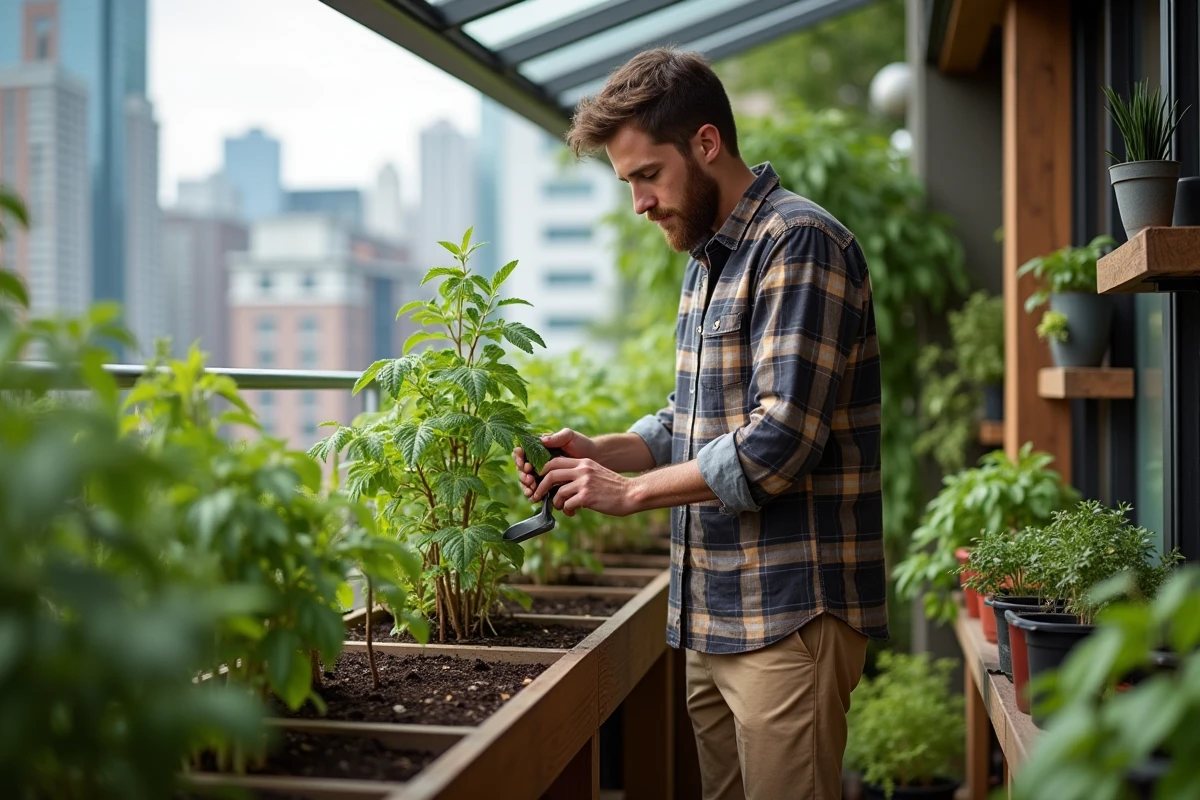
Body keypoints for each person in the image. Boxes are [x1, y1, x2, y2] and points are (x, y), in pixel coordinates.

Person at [512, 47, 888, 800]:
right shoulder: (707, 259)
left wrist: (629, 491)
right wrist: (599, 450)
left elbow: (778, 440)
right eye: (628, 184)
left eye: (647, 176)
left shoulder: (798, 243)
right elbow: (693, 417)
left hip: (788, 616)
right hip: (711, 613)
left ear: (707, 144)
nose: (639, 204)